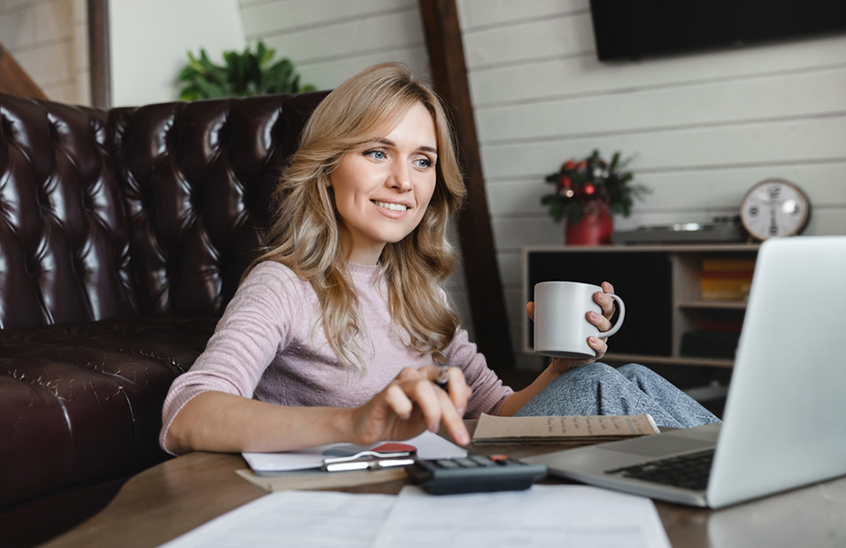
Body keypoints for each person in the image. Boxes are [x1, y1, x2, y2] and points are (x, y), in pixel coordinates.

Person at [160, 63, 718, 456]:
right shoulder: (284, 284)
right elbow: (187, 414)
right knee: (611, 390)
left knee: (622, 378)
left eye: (422, 161)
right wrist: (356, 424)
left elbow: (495, 411)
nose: (403, 180)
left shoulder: (419, 293)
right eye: (377, 152)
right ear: (328, 166)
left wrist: (561, 369)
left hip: (466, 463)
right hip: (383, 483)